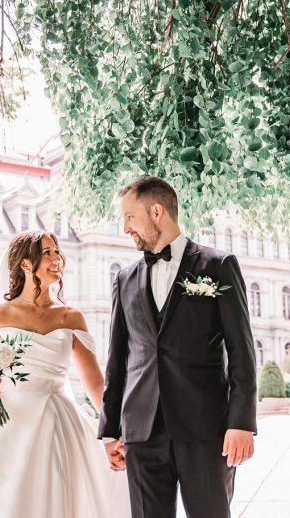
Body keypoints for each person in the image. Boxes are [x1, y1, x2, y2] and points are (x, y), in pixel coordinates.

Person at [0, 230, 130, 517]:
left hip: (59, 421)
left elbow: (96, 383)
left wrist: (112, 432)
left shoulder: (71, 317)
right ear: (25, 264)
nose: (57, 260)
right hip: (7, 427)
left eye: (57, 252)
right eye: (47, 253)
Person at [100, 176, 258, 518]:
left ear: (157, 212)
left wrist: (241, 422)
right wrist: (110, 429)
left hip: (205, 427)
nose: (124, 226)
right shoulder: (124, 279)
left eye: (129, 216)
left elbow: (242, 351)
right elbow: (118, 359)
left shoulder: (218, 266)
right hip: (141, 431)